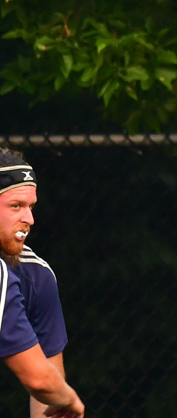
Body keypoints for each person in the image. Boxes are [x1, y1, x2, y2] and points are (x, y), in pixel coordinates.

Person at [0, 156, 79, 418]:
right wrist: (68, 398)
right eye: (15, 206)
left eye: (31, 206)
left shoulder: (35, 276)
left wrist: (55, 394)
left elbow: (46, 384)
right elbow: (41, 381)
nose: (29, 218)